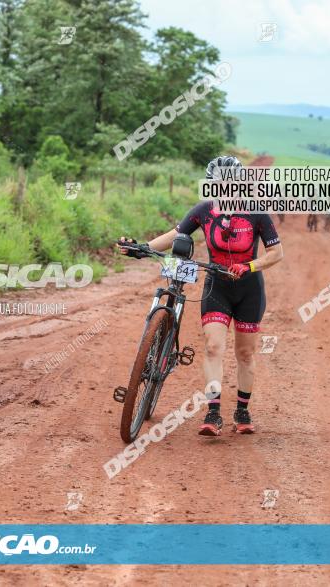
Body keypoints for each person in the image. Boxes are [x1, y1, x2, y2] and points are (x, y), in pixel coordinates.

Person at [117, 155, 284, 436]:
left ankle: (242, 411)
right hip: (216, 286)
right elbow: (175, 234)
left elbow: (277, 253)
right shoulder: (205, 210)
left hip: (249, 289)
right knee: (213, 347)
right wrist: (142, 247)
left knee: (244, 353)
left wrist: (249, 266)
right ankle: (213, 413)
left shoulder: (256, 213)